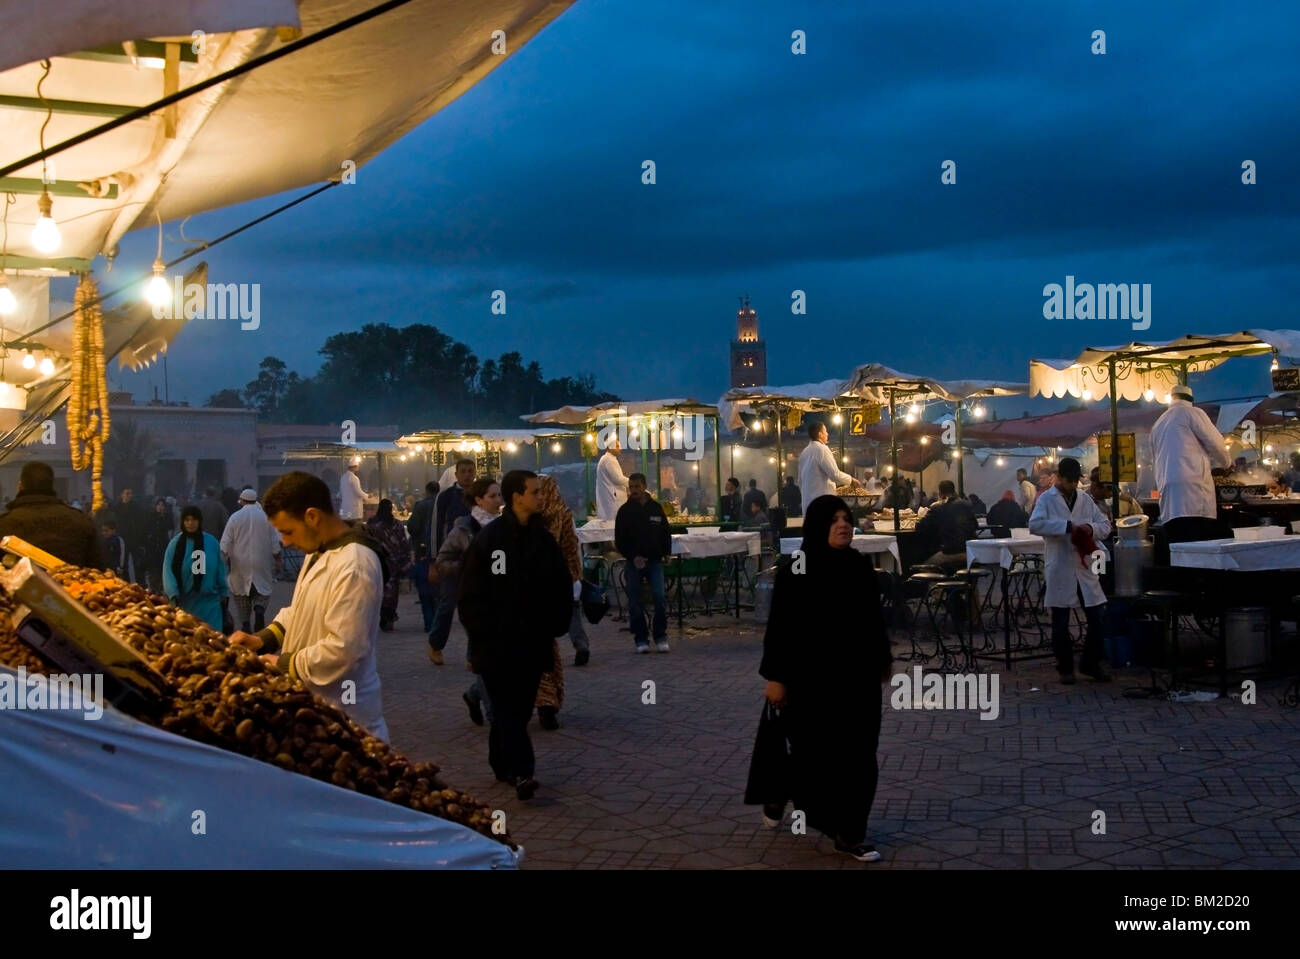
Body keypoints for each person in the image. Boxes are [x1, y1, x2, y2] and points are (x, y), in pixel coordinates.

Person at [759, 494, 891, 862]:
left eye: (846, 518)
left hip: (858, 680)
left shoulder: (859, 566)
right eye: (834, 520)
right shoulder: (798, 568)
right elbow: (782, 626)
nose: (843, 525)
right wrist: (777, 677)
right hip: (811, 682)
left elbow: (873, 620)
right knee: (813, 755)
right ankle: (783, 786)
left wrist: (882, 660)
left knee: (861, 754)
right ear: (818, 525)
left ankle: (850, 834)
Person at [230, 471, 389, 740]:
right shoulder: (320, 551)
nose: (285, 542)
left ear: (312, 517)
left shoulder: (354, 565)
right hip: (317, 712)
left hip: (346, 717)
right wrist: (263, 640)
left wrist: (283, 664)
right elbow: (302, 610)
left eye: (287, 531)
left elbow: (345, 650)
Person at [458, 470, 571, 799]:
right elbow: (478, 590)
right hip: (497, 644)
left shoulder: (542, 539)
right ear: (516, 497)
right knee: (508, 708)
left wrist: (555, 622)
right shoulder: (494, 541)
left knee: (518, 710)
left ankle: (500, 762)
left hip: (532, 642)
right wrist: (485, 632)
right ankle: (523, 771)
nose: (540, 496)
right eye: (534, 492)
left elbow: (560, 582)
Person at [1028, 457, 1112, 685]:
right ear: (1060, 478)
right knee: (1061, 620)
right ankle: (1065, 667)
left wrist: (1089, 528)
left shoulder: (1085, 499)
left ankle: (1090, 663)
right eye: (1069, 481)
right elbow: (1034, 525)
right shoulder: (1046, 499)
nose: (1073, 485)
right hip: (1061, 564)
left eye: (1076, 481)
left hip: (1084, 566)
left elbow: (1105, 526)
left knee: (1096, 616)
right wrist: (1064, 527)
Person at [435, 478, 504, 725]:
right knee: (484, 658)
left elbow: (504, 565)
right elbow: (443, 561)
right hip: (476, 602)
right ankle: (494, 713)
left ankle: (474, 695)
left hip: (503, 601)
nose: (498, 501)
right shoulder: (464, 529)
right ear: (479, 500)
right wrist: (467, 566)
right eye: (493, 496)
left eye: (499, 495)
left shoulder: (506, 526)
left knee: (501, 659)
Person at [534, 475, 589, 728]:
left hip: (545, 591)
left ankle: (546, 702)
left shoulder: (530, 516)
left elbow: (569, 549)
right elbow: (571, 551)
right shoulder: (528, 517)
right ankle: (546, 702)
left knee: (541, 648)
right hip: (545, 591)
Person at [1151, 384, 1232, 543]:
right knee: (1197, 543)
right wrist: (1227, 462)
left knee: (1178, 544)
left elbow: (1155, 458)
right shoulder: (1193, 413)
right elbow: (1215, 444)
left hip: (1167, 491)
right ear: (1190, 399)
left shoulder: (1158, 423)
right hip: (1193, 489)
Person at [0, 462, 103, 568]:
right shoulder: (81, 521)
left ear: (20, 486)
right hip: (71, 583)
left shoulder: (4, 524)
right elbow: (98, 567)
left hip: (17, 584)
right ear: (51, 486)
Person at [615, 472, 673, 653]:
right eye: (631, 487)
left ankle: (660, 636)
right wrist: (633, 557)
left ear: (644, 486)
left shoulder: (656, 508)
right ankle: (641, 639)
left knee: (659, 596)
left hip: (655, 560)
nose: (634, 490)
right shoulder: (624, 512)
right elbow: (620, 540)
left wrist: (667, 552)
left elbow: (665, 532)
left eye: (637, 487)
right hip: (634, 563)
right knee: (634, 600)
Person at [428, 459, 477, 664]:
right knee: (447, 605)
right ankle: (435, 644)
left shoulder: (480, 496)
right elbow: (436, 529)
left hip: (476, 562)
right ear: (456, 475)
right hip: (451, 561)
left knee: (475, 609)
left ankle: (473, 656)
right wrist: (433, 561)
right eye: (463, 471)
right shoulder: (446, 497)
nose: (467, 475)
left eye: (470, 471)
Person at [220, 488, 282, 633]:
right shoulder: (266, 518)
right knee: (262, 592)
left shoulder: (235, 517)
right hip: (262, 563)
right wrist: (278, 559)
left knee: (241, 595)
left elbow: (225, 543)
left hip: (240, 564)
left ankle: (246, 624)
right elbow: (275, 543)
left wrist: (223, 559)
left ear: (242, 501)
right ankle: (259, 610)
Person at [163, 505, 229, 631]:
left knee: (214, 642)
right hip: (184, 604)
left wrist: (223, 592)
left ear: (199, 521)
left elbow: (220, 570)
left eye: (194, 520)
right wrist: (172, 593)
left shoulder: (211, 542)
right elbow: (167, 571)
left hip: (210, 604)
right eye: (187, 520)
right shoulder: (175, 544)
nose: (190, 523)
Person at [364, 499, 412, 632]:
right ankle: (389, 617)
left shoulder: (372, 524)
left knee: (377, 591)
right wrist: (405, 561)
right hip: (393, 564)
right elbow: (403, 543)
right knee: (391, 593)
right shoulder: (396, 524)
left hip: (376, 562)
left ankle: (380, 617)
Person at [914, 480, 977, 573]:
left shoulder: (937, 506)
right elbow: (975, 525)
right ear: (953, 490)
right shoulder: (966, 505)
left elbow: (920, 526)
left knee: (923, 567)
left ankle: (936, 587)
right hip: (969, 550)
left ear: (940, 492)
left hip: (950, 551)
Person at [405, 481, 440, 633]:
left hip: (423, 553)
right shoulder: (442, 505)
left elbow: (412, 527)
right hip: (440, 554)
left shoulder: (420, 506)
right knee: (438, 593)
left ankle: (429, 623)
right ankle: (437, 624)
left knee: (425, 593)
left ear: (426, 491)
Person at [798, 421, 856, 501]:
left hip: (807, 502)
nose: (827, 434)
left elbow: (800, 481)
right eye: (825, 431)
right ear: (820, 434)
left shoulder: (804, 452)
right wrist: (851, 480)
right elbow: (834, 474)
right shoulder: (822, 449)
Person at [142, 497, 174, 592]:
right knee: (152, 569)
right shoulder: (150, 516)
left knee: (162, 568)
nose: (160, 507)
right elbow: (146, 530)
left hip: (163, 546)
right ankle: (152, 587)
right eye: (158, 505)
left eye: (162, 505)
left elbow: (170, 529)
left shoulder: (167, 517)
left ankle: (161, 588)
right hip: (152, 547)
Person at [595, 437, 629, 520]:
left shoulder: (607, 459)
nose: (620, 448)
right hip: (613, 500)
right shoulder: (609, 460)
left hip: (611, 500)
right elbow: (618, 479)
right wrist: (633, 483)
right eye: (617, 446)